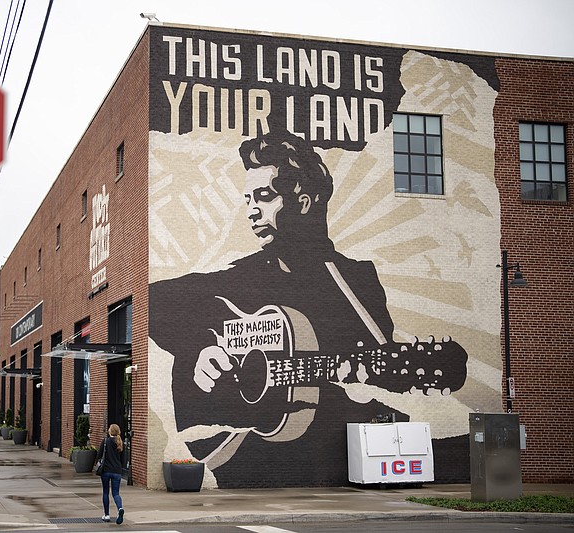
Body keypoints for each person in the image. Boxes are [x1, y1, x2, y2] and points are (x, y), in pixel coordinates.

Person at [148, 129, 468, 486]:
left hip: (321, 465)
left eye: (265, 197)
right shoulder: (245, 275)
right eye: (248, 199)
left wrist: (365, 384)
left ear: (303, 201)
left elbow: (380, 382)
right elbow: (155, 298)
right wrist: (200, 345)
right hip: (247, 464)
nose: (252, 211)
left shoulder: (357, 284)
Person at [96, 424, 125, 524]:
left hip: (106, 471)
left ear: (110, 431)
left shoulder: (105, 441)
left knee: (105, 492)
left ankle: (107, 515)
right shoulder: (120, 443)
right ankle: (120, 508)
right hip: (117, 471)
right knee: (116, 493)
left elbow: (99, 455)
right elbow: (123, 460)